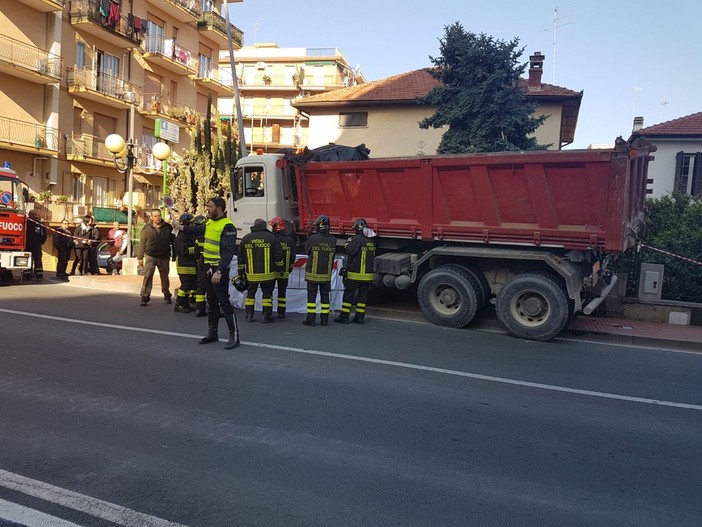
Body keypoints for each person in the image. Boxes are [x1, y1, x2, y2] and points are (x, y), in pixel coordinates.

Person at [175, 196, 239, 349]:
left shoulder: (228, 226)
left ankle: (234, 336)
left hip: (218, 270)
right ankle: (213, 333)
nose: (208, 210)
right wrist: (180, 226)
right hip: (207, 268)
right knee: (211, 302)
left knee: (224, 302)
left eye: (210, 207)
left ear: (219, 208)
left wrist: (219, 271)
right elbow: (197, 229)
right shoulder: (210, 222)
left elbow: (228, 252)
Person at [237, 218, 284, 323]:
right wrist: (280, 269)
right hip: (268, 275)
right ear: (264, 227)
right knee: (267, 295)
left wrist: (241, 272)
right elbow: (278, 255)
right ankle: (266, 316)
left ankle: (249, 315)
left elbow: (240, 257)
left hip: (251, 275)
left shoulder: (246, 238)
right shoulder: (272, 238)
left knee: (250, 295)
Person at [334, 218, 377, 324]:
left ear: (358, 229)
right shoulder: (371, 241)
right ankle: (359, 317)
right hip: (367, 275)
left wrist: (347, 242)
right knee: (362, 297)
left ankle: (344, 317)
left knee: (348, 295)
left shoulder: (357, 239)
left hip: (355, 274)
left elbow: (350, 250)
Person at [302, 215, 337, 327]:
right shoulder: (333, 240)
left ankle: (311, 320)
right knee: (325, 297)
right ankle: (324, 320)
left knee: (311, 298)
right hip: (326, 276)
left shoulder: (313, 239)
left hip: (313, 275)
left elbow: (307, 251)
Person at [136, 208, 174, 306]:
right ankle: (145, 296)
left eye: (159, 215)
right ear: (151, 217)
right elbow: (142, 243)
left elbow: (173, 242)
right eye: (156, 216)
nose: (158, 218)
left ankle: (166, 294)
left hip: (164, 257)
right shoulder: (146, 228)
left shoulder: (168, 227)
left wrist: (174, 255)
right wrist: (140, 258)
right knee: (148, 276)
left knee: (165, 277)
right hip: (150, 256)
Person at [269, 216, 295, 319]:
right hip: (285, 272)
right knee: (282, 293)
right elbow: (292, 256)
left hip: (272, 271)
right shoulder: (290, 240)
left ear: (276, 226)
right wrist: (289, 269)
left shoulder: (272, 239)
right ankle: (281, 313)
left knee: (269, 292)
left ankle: (268, 312)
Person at [173, 213, 197, 313]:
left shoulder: (190, 236)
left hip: (192, 265)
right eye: (191, 224)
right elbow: (184, 251)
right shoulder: (180, 238)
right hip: (184, 266)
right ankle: (178, 304)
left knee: (191, 286)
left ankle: (185, 303)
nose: (193, 226)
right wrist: (196, 249)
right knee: (185, 286)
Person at [191, 214, 208, 317]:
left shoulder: (197, 237)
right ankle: (215, 308)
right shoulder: (210, 234)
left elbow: (196, 253)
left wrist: (198, 259)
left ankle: (199, 309)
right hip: (211, 260)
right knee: (212, 285)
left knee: (201, 285)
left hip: (201, 261)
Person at [25, 210, 47, 281]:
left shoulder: (40, 224)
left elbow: (44, 235)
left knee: (38, 261)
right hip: (28, 245)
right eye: (32, 214)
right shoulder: (26, 223)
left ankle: (39, 276)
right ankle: (27, 276)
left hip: (37, 246)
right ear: (29, 215)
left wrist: (41, 242)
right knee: (27, 260)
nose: (34, 216)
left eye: (35, 214)